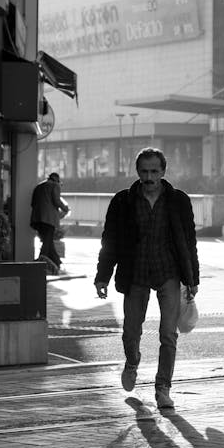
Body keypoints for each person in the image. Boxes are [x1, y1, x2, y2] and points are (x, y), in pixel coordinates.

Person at [94, 147, 199, 409]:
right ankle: (132, 362)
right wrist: (102, 276)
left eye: (154, 171)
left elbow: (189, 241)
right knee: (131, 331)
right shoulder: (123, 201)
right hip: (136, 273)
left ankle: (163, 388)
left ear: (163, 171)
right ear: (137, 172)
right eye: (144, 171)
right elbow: (110, 241)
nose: (149, 177)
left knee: (168, 334)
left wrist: (192, 278)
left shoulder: (178, 201)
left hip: (169, 273)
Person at [30, 172, 69, 274]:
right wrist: (65, 208)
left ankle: (57, 262)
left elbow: (32, 203)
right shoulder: (54, 185)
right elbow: (56, 200)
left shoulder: (39, 186)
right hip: (48, 219)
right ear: (56, 180)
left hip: (37, 218)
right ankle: (39, 264)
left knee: (48, 241)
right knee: (47, 242)